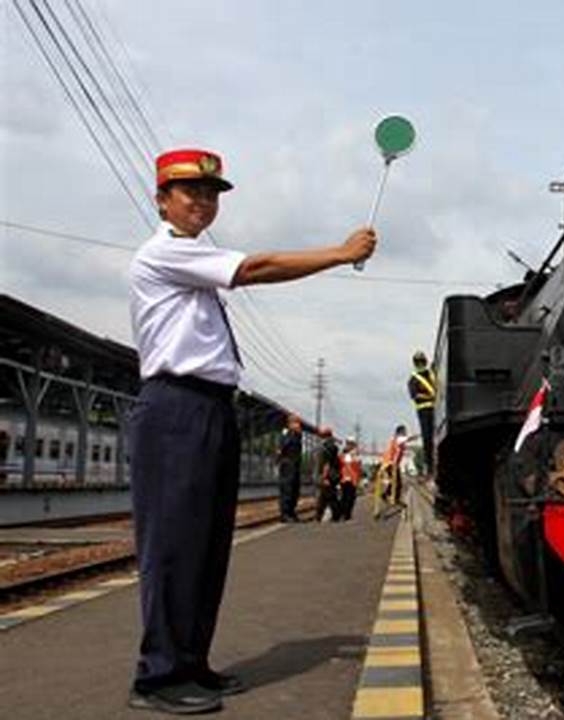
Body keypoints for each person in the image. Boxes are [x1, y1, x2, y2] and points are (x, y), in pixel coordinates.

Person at [126, 147, 375, 714]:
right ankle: (157, 676)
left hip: (211, 408)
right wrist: (340, 253)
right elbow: (255, 269)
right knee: (173, 546)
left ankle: (191, 663)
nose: (203, 202)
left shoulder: (194, 261)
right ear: (162, 199)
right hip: (176, 408)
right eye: (190, 191)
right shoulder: (163, 254)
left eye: (211, 194)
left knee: (207, 546)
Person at [373, 425, 414, 519]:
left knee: (395, 482)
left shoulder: (398, 440)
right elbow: (408, 439)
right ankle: (393, 498)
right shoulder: (398, 439)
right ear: (400, 432)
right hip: (390, 463)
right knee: (397, 482)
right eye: (404, 431)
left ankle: (386, 495)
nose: (406, 433)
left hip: (391, 464)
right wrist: (418, 436)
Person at [407, 352, 437, 474]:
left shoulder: (431, 374)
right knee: (427, 437)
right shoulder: (413, 379)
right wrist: (430, 396)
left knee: (435, 437)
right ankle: (428, 464)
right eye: (418, 362)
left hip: (435, 408)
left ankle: (433, 463)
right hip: (423, 410)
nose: (420, 364)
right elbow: (415, 396)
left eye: (422, 362)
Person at [276, 414, 302, 522]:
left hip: (295, 465)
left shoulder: (297, 435)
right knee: (287, 489)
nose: (298, 425)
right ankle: (285, 514)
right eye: (296, 422)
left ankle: (291, 512)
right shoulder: (286, 433)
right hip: (287, 465)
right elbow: (281, 448)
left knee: (294, 490)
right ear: (290, 423)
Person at [313, 427, 340, 522]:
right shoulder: (333, 446)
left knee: (327, 496)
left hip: (327, 475)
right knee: (328, 496)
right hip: (332, 474)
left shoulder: (325, 447)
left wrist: (324, 477)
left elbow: (326, 464)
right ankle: (321, 516)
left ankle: (321, 516)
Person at [337, 436, 361, 521]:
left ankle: (345, 514)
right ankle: (345, 515)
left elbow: (357, 465)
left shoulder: (350, 454)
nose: (351, 445)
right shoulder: (347, 454)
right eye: (350, 443)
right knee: (347, 498)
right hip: (347, 478)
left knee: (348, 498)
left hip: (350, 478)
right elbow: (351, 463)